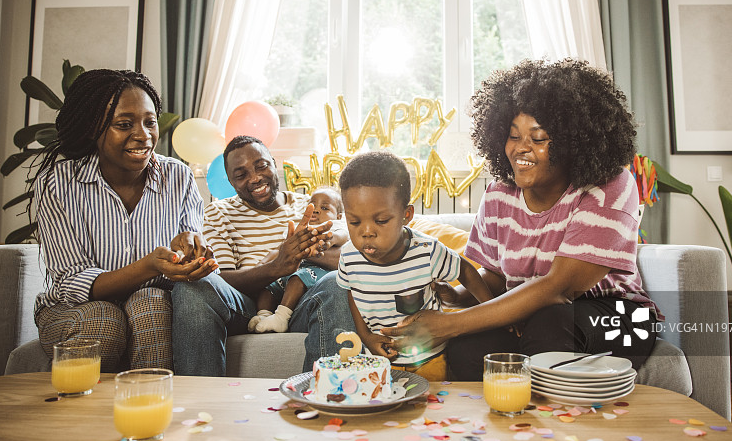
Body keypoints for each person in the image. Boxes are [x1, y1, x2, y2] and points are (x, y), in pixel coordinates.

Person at [381, 58, 661, 380]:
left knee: (551, 321)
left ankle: (557, 429)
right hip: (536, 316)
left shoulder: (610, 185)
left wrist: (450, 325)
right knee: (470, 348)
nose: (520, 149)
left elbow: (559, 287)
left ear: (574, 142)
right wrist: (455, 296)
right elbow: (497, 280)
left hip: (619, 319)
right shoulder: (500, 193)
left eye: (538, 138)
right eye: (513, 136)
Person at [31, 69, 217, 372]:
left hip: (150, 302)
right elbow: (71, 283)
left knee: (151, 305)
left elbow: (190, 239)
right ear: (94, 128)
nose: (143, 135)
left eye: (150, 122)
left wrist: (190, 252)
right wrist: (149, 265)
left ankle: (148, 414)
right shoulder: (58, 183)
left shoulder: (179, 177)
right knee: (104, 320)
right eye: (124, 124)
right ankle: (83, 419)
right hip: (73, 309)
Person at [171, 136, 355, 375]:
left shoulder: (311, 206)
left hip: (304, 301)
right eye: (241, 174)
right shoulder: (219, 213)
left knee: (336, 282)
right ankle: (201, 403)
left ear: (273, 162)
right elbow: (219, 278)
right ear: (230, 181)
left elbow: (346, 260)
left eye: (261, 166)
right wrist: (278, 265)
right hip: (249, 307)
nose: (255, 178)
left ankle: (331, 396)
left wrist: (298, 253)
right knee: (191, 287)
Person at [337, 151, 493, 381]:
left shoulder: (427, 251)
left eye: (381, 221)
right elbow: (353, 292)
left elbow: (466, 271)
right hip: (380, 362)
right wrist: (366, 337)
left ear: (406, 215)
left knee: (429, 412)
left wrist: (489, 309)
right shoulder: (349, 256)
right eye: (354, 222)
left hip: (429, 359)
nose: (366, 232)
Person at [247, 186, 348, 333]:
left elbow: (342, 236)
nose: (317, 210)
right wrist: (264, 264)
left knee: (298, 278)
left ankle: (281, 317)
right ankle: (263, 315)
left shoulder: (334, 226)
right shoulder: (299, 227)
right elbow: (281, 249)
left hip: (316, 271)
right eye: (313, 205)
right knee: (270, 286)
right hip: (293, 267)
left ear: (338, 216)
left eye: (325, 208)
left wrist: (329, 239)